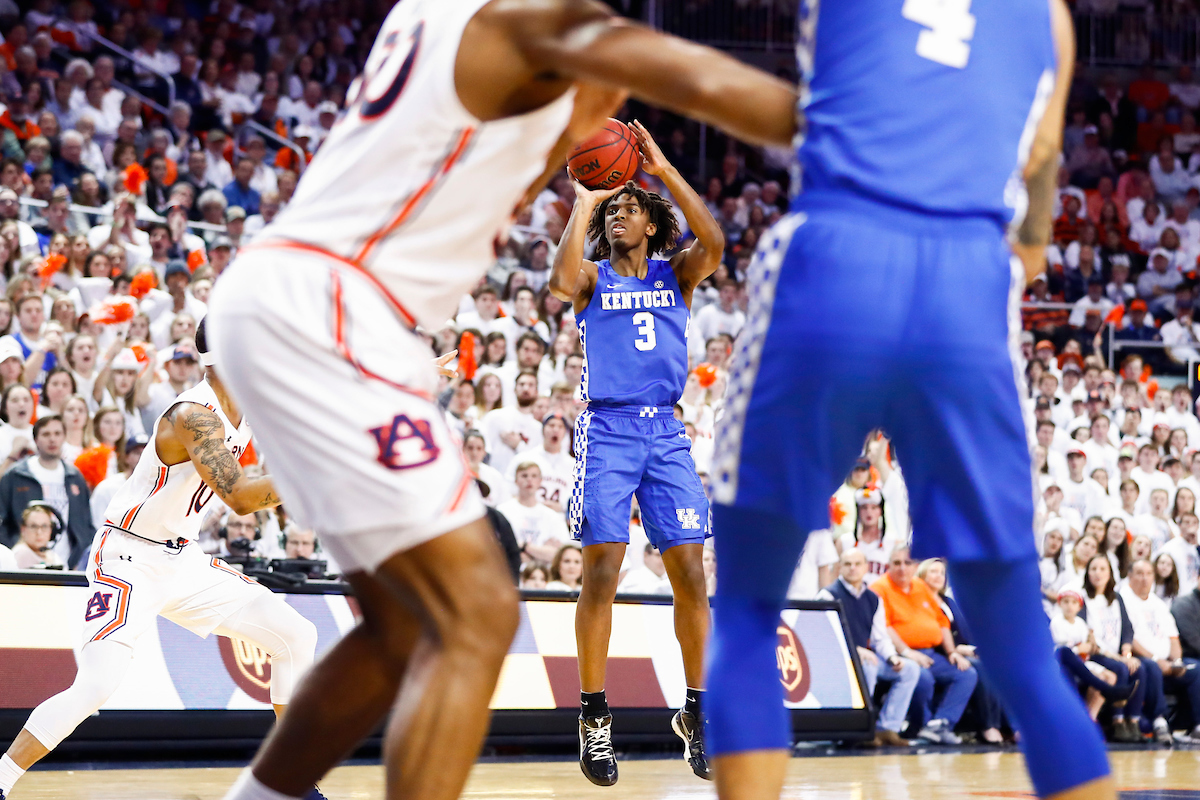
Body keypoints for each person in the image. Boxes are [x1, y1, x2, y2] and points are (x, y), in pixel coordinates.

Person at [206, 4, 795, 800]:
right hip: (339, 305)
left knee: (405, 622)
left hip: (299, 294)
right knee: (475, 611)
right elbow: (701, 80)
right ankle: (595, 715)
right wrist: (868, 137)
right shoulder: (534, 20)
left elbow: (523, 150)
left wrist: (594, 151)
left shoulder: (425, 16)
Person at [705, 0, 1114, 796]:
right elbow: (1040, 164)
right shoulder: (1052, 18)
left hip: (837, 252)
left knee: (748, 615)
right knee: (1026, 660)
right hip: (967, 283)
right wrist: (1025, 248)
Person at [0, 320, 320, 800]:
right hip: (129, 556)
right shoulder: (193, 415)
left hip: (182, 557)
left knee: (296, 634)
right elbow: (240, 497)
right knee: (96, 687)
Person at [550, 121, 722, 784]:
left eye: (629, 207)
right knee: (602, 572)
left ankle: (696, 712)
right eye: (612, 211)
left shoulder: (678, 274)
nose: (618, 215)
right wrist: (586, 200)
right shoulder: (592, 279)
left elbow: (714, 242)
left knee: (692, 575)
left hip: (666, 433)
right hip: (609, 431)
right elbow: (560, 280)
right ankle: (594, 716)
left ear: (651, 224)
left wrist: (663, 167)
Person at [870, 546, 977, 744]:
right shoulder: (880, 588)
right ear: (888, 566)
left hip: (931, 652)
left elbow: (942, 621)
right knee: (923, 679)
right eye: (897, 563)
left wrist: (951, 652)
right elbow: (884, 627)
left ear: (915, 566)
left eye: (907, 563)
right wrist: (907, 652)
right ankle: (919, 726)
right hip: (898, 654)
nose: (902, 568)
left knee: (966, 673)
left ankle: (939, 725)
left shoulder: (920, 586)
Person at [817, 549, 919, 747]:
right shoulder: (827, 595)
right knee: (868, 667)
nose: (853, 568)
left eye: (858, 564)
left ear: (866, 567)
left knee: (910, 669)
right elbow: (825, 638)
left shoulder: (873, 598)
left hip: (864, 657)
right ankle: (859, 729)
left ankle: (887, 728)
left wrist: (892, 657)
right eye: (848, 564)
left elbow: (880, 638)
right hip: (837, 660)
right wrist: (855, 650)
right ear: (839, 567)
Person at [1120, 558, 1200, 743]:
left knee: (1195, 669)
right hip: (1143, 660)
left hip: (1167, 663)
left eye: (1149, 574)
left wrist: (1176, 662)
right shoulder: (1123, 599)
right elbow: (1129, 638)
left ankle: (1196, 725)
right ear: (1130, 576)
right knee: (1151, 667)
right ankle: (1159, 721)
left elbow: (1173, 638)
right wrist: (1156, 659)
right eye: (1140, 573)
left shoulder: (1158, 604)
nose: (1145, 578)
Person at [0, 414, 92, 568]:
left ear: (64, 437)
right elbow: (3, 520)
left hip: (67, 563)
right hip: (24, 563)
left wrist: (78, 557)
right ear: (36, 440)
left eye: (57, 433)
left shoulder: (75, 477)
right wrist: (14, 553)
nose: (52, 439)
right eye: (46, 434)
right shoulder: (16, 475)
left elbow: (85, 524)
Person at [9, 502, 64, 569]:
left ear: (51, 530)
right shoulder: (20, 554)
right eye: (34, 526)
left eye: (44, 526)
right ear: (23, 529)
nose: (39, 532)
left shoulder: (53, 557)